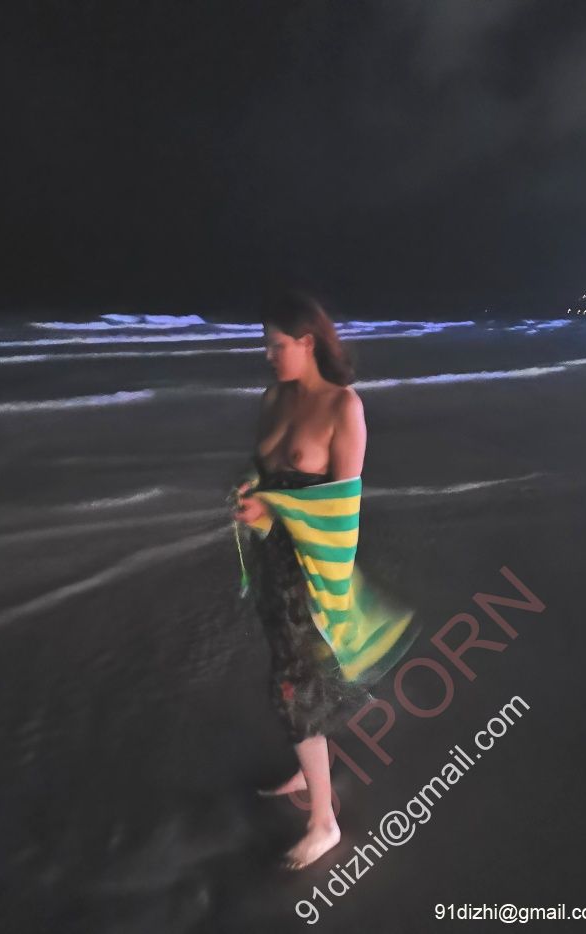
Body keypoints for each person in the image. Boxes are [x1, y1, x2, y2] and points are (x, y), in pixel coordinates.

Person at [231, 289, 372, 870]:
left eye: (276, 344)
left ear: (308, 342)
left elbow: (342, 511)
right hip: (270, 562)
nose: (268, 355)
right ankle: (308, 768)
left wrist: (273, 507)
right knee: (291, 670)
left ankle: (324, 822)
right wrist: (250, 493)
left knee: (290, 687)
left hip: (310, 572)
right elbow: (263, 470)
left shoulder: (344, 408)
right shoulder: (273, 397)